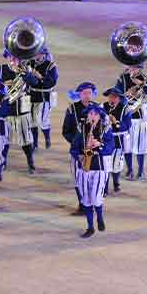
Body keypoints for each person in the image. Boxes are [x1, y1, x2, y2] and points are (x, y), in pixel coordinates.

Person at [69, 103, 114, 238]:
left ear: (100, 116)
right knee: (86, 199)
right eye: (90, 114)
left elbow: (110, 147)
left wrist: (99, 145)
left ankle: (99, 217)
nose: (92, 116)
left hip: (98, 166)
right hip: (84, 168)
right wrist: (79, 156)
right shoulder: (81, 129)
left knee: (95, 197)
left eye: (95, 114)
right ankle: (90, 227)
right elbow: (74, 147)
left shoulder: (105, 129)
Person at [0, 52, 39, 173]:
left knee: (25, 139)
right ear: (6, 57)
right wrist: (3, 85)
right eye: (10, 57)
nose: (13, 59)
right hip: (6, 109)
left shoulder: (26, 69)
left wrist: (26, 74)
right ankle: (3, 162)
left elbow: (35, 82)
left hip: (22, 109)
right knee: (4, 139)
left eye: (16, 57)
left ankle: (30, 162)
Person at [115, 63, 147, 181]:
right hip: (126, 115)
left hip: (140, 116)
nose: (133, 70)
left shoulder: (146, 78)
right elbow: (116, 93)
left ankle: (141, 171)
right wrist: (126, 94)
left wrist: (141, 84)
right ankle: (129, 170)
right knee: (127, 145)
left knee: (140, 145)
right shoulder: (123, 78)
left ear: (140, 68)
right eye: (131, 67)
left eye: (136, 68)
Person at [62, 82, 95, 214]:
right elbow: (66, 131)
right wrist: (77, 143)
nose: (87, 96)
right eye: (84, 93)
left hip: (94, 151)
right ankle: (82, 205)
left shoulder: (98, 109)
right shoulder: (72, 109)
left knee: (92, 179)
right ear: (79, 94)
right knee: (77, 178)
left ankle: (92, 204)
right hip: (77, 151)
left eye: (89, 93)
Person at [102, 86, 133, 194]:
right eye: (110, 97)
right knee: (105, 163)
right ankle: (105, 188)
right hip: (106, 139)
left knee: (116, 164)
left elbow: (128, 125)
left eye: (114, 97)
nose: (112, 99)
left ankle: (116, 183)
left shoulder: (125, 109)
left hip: (118, 139)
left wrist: (116, 123)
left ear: (119, 98)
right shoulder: (102, 107)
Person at [28, 47, 59, 151]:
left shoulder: (51, 66)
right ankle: (35, 143)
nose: (37, 55)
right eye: (36, 53)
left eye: (40, 54)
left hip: (44, 97)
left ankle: (47, 137)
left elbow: (52, 82)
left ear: (44, 54)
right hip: (31, 95)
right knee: (32, 121)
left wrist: (40, 77)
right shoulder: (30, 63)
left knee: (42, 120)